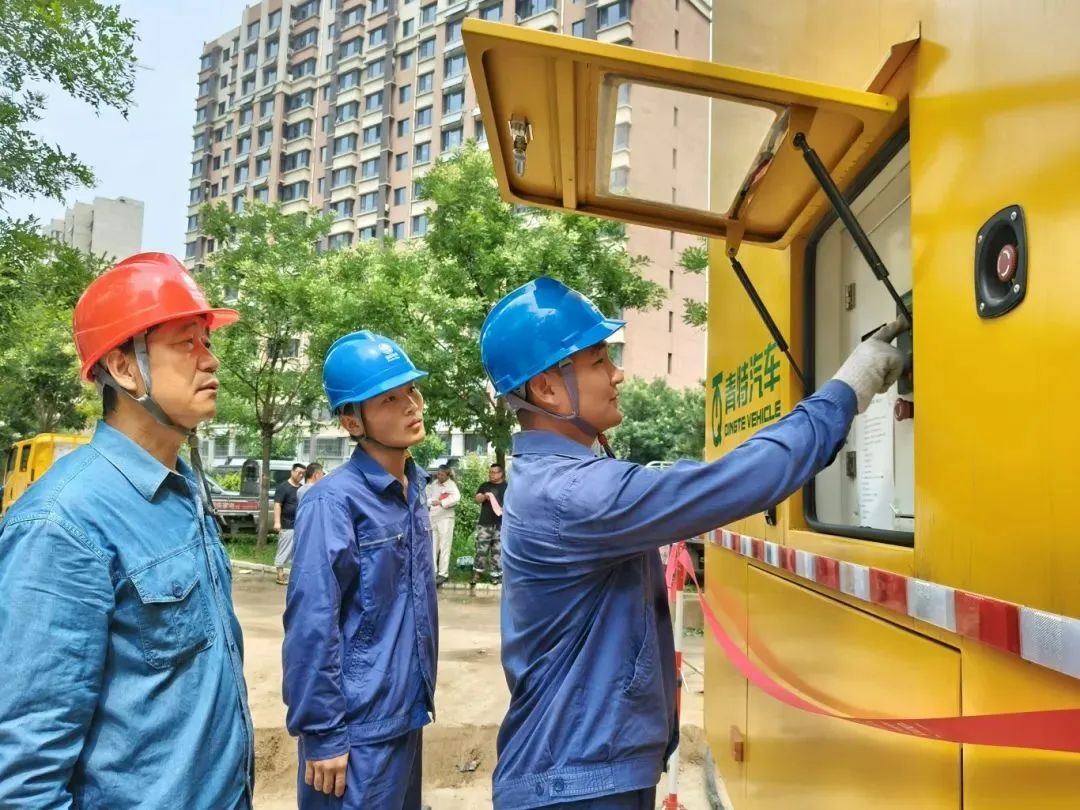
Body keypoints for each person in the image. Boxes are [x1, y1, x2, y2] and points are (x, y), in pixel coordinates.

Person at [479, 277, 907, 809]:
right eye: (596, 361)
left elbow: (696, 482)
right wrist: (850, 386)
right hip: (575, 781)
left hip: (578, 768)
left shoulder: (557, 479)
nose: (617, 373)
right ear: (545, 388)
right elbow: (743, 479)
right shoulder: (572, 493)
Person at [0, 252, 254, 807]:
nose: (210, 362)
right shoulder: (62, 524)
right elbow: (23, 775)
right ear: (123, 368)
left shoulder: (183, 491)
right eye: (187, 343)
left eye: (208, 343)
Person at [283, 330, 438, 810]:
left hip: (405, 715)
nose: (411, 404)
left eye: (410, 390)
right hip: (355, 729)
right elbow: (312, 624)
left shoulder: (412, 489)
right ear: (353, 421)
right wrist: (325, 734)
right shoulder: (333, 503)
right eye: (389, 398)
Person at [472, 462, 508, 587]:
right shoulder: (484, 486)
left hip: (501, 524)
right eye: (490, 472)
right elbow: (476, 499)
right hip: (485, 523)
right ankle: (477, 573)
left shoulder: (507, 487)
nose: (492, 475)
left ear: (501, 473)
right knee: (481, 549)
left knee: (497, 551)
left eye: (494, 472)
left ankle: (495, 575)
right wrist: (483, 496)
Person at [425, 464, 461, 586]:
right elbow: (426, 497)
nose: (439, 476)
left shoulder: (451, 485)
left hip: (445, 518)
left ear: (447, 475)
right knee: (432, 546)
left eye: (441, 474)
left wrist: (441, 502)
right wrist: (431, 502)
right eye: (438, 474)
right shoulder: (434, 484)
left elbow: (456, 498)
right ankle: (433, 571)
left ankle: (443, 573)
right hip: (433, 517)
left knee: (444, 545)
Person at [273, 462, 305, 585]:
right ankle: (280, 575)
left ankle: (294, 575)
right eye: (299, 472)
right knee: (284, 549)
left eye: (303, 473)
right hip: (287, 524)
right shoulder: (283, 487)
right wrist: (277, 522)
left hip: (299, 525)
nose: (301, 475)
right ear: (292, 472)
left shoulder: (301, 489)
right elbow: (277, 504)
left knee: (296, 552)